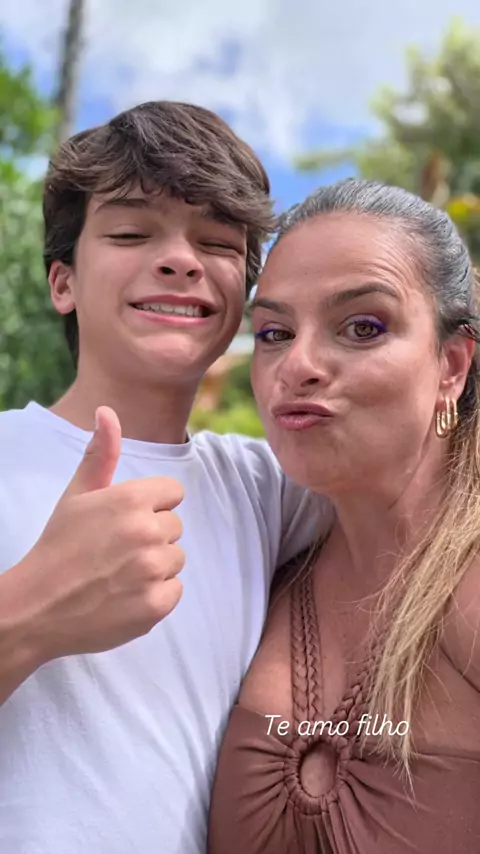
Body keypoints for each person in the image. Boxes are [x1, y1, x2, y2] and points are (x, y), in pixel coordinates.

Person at [0, 102, 330, 854]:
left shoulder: (271, 486)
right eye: (130, 233)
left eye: (217, 242)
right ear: (62, 282)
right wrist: (29, 610)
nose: (181, 259)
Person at [208, 178, 480, 854]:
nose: (296, 365)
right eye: (273, 333)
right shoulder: (258, 572)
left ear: (451, 365)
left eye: (363, 327)